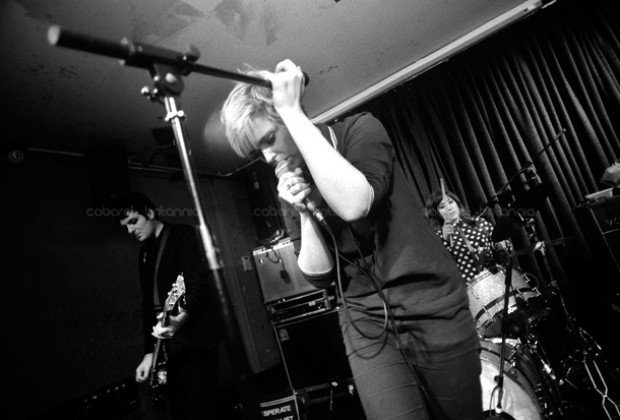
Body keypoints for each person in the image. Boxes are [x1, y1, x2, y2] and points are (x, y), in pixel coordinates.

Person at [220, 59, 484, 420]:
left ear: (287, 115)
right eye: (257, 152)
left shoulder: (361, 129)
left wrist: (292, 112)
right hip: (364, 318)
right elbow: (318, 276)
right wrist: (303, 213)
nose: (267, 157)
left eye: (268, 139)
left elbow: (356, 204)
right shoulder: (289, 185)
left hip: (431, 301)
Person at [116, 193, 223, 420]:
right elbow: (148, 305)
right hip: (168, 347)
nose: (130, 230)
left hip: (195, 340)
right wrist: (149, 353)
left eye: (134, 221)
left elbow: (196, 284)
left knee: (202, 410)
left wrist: (178, 319)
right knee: (180, 411)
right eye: (125, 226)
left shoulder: (181, 235)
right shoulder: (144, 253)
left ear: (150, 213)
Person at [424, 190, 510, 283]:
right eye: (442, 207)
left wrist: (501, 245)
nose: (449, 208)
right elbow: (438, 268)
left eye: (450, 202)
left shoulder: (479, 222)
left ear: (457, 203)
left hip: (496, 279)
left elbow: (499, 243)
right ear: (436, 212)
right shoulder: (437, 238)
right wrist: (444, 240)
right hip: (467, 287)